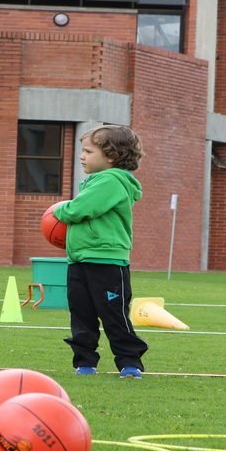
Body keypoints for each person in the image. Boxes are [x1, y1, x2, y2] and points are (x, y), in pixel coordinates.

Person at [53, 124, 148, 379]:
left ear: (112, 156)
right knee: (81, 314)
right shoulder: (95, 181)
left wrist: (58, 210)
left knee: (114, 315)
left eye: (88, 151)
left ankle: (129, 362)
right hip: (79, 259)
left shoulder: (111, 180)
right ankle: (84, 363)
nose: (82, 156)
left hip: (107, 262)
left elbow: (78, 210)